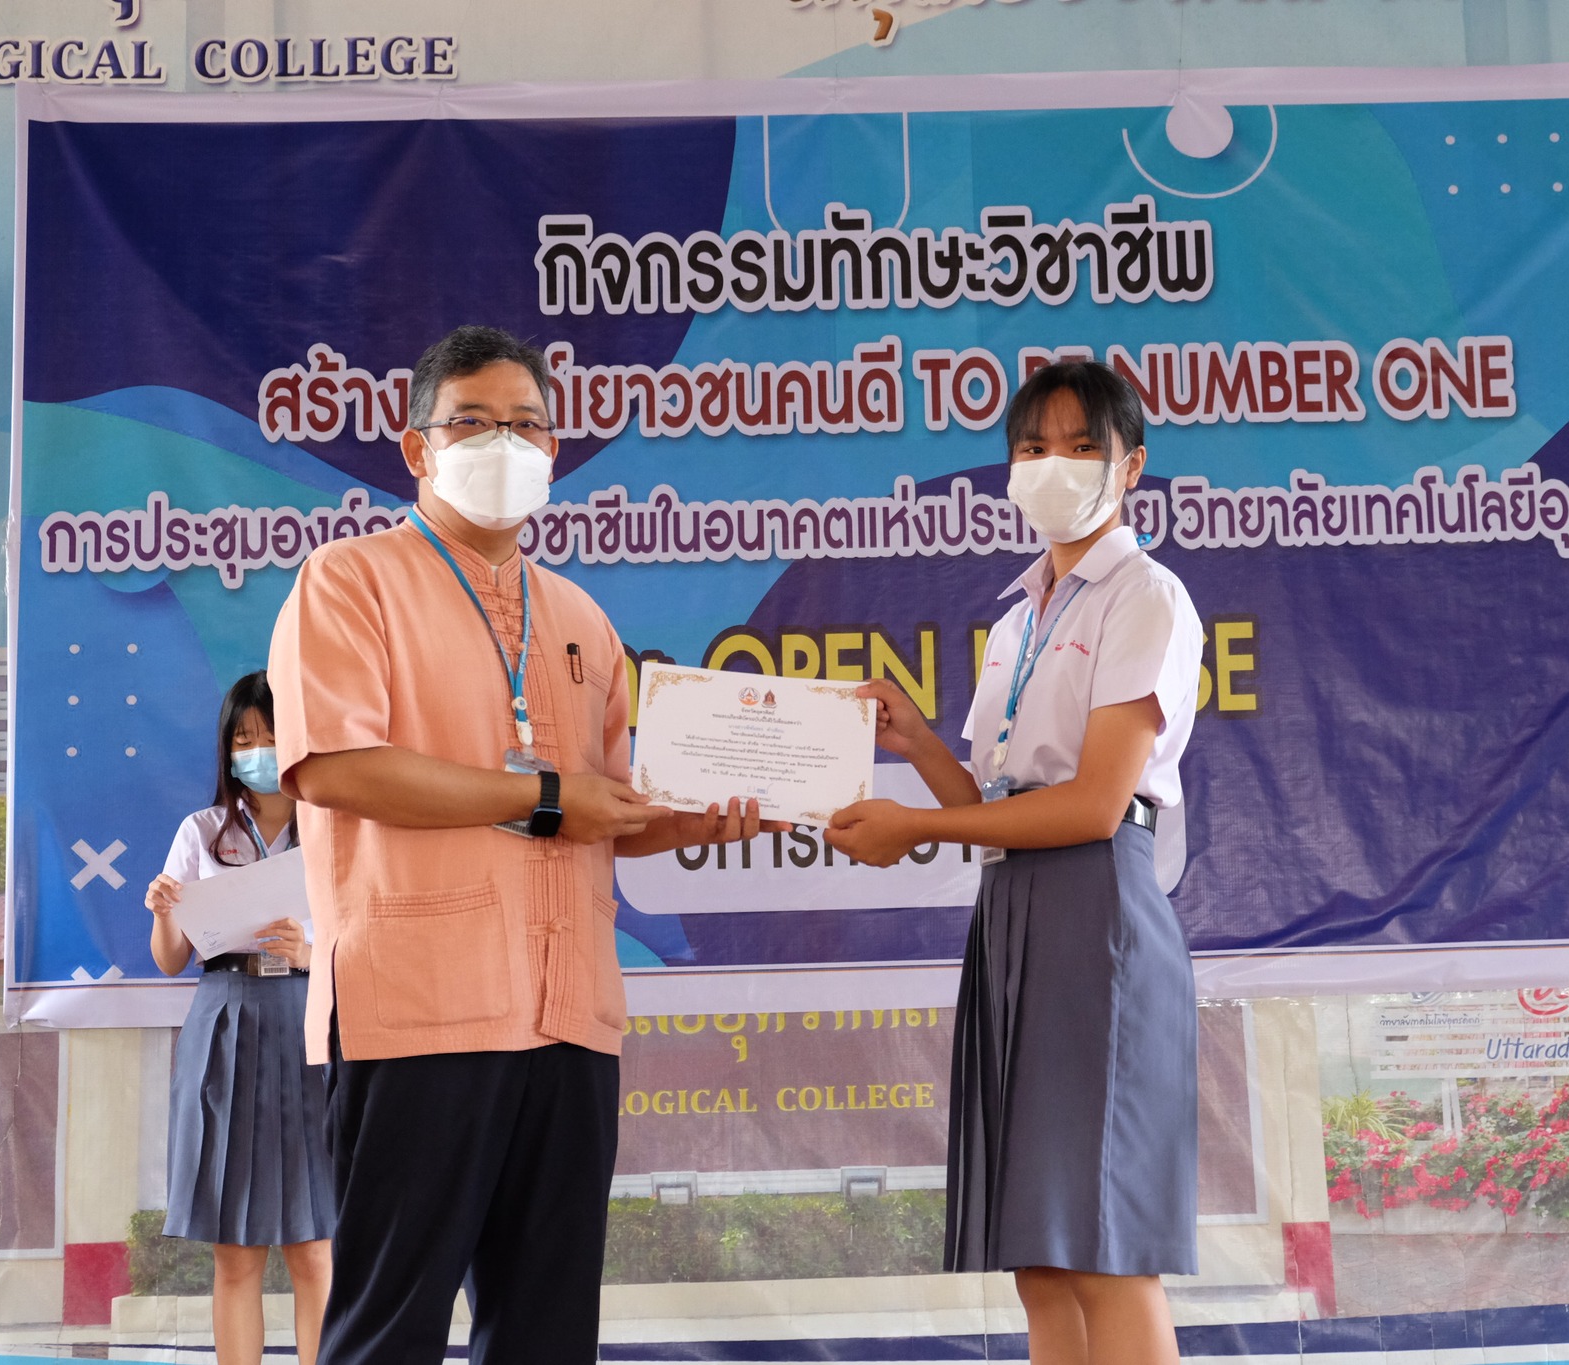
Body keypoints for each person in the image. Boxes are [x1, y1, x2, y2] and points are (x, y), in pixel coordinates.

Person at [266, 324, 769, 1365]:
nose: (503, 443)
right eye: (473, 424)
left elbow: (617, 805)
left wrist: (711, 812)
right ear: (416, 448)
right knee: (386, 1329)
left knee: (545, 1331)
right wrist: (547, 799)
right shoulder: (349, 580)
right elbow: (334, 769)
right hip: (417, 1006)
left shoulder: (580, 614)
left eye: (526, 424)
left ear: (556, 447)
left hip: (568, 1015)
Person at [825, 360, 1202, 1365]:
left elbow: (1085, 806)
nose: (1054, 466)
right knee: (1039, 1256)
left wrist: (914, 829)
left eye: (1082, 447)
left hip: (1096, 921)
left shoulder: (1145, 597)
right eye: (1033, 448)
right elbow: (998, 808)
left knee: (1103, 1250)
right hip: (1013, 917)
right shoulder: (1014, 620)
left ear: (1132, 468)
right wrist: (920, 750)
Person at [143, 669, 333, 1365]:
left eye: (268, 734)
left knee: (314, 1246)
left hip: (305, 1018)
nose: (254, 748)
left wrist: (312, 953)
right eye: (241, 737)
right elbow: (170, 958)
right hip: (224, 1019)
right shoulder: (199, 831)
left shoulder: (334, 826)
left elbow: (370, 936)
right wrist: (165, 912)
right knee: (235, 1249)